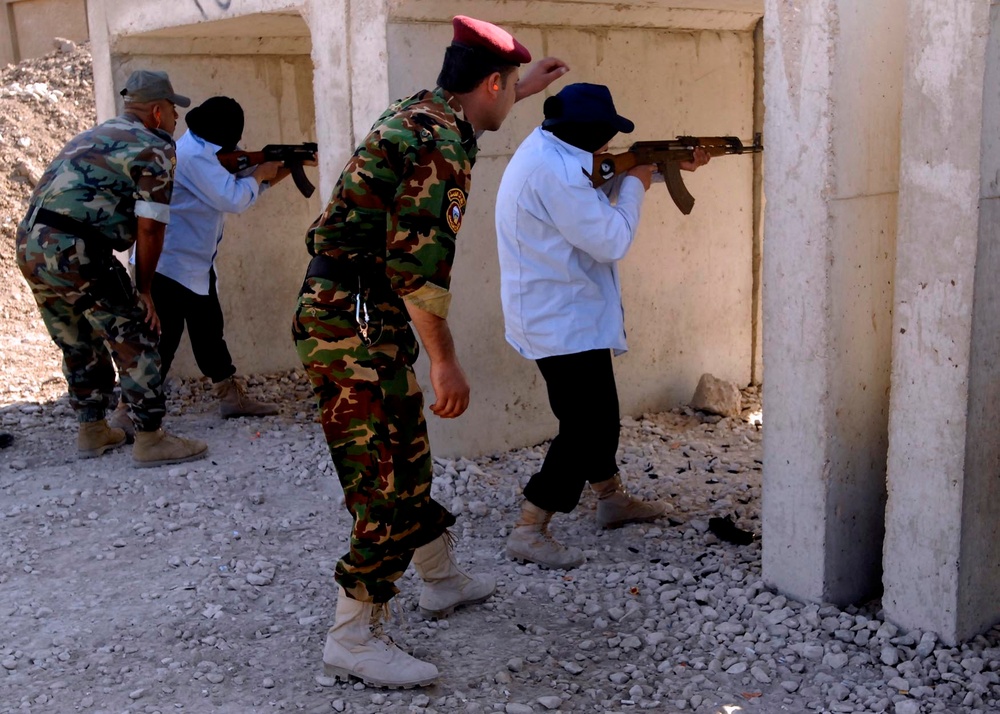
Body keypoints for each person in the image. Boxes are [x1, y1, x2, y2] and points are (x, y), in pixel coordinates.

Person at [293, 15, 568, 688]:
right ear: (491, 84)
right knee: (384, 477)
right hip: (351, 321)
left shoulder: (424, 111)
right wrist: (443, 359)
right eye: (509, 89)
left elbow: (477, 113)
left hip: (356, 312)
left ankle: (438, 580)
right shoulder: (439, 141)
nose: (510, 99)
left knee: (407, 451)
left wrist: (519, 90)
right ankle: (352, 636)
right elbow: (416, 272)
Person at [495, 83, 710, 568]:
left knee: (599, 414)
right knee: (584, 425)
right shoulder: (555, 172)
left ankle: (611, 498)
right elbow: (611, 239)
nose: (607, 152)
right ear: (590, 137)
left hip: (567, 313)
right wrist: (637, 183)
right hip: (559, 319)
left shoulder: (549, 146)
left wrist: (651, 164)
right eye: (605, 144)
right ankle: (531, 525)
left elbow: (591, 184)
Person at [15, 70, 208, 467]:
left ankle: (92, 430)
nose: (176, 119)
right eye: (173, 109)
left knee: (76, 336)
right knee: (136, 335)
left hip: (31, 243)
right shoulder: (154, 146)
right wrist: (145, 290)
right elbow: (151, 226)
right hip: (76, 248)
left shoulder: (93, 134)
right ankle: (151, 439)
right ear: (157, 111)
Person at [147, 96, 288, 418]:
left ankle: (230, 398)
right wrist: (259, 173)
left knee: (209, 333)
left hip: (193, 263)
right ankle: (132, 412)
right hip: (170, 265)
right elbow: (233, 199)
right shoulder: (195, 157)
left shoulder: (201, 150)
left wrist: (274, 173)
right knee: (162, 341)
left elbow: (235, 189)